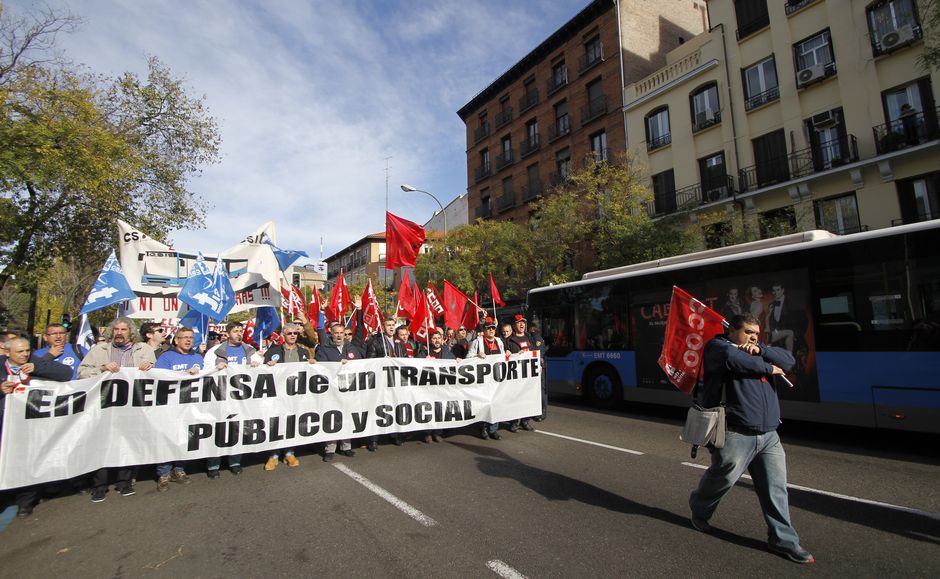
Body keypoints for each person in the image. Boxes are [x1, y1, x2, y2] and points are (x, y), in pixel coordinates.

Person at [688, 314, 813, 565]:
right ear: (732, 331)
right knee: (722, 478)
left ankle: (784, 540)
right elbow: (735, 360)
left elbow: (787, 360)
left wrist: (761, 349)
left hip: (769, 435)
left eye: (757, 332)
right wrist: (767, 366)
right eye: (748, 332)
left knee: (775, 489)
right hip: (736, 432)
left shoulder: (757, 348)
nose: (754, 336)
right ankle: (699, 508)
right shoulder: (718, 348)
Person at [78, 317, 156, 502]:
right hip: (104, 406)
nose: (119, 332)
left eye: (124, 329)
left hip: (132, 405)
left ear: (131, 332)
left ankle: (124, 480)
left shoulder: (144, 350)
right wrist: (102, 368)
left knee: (127, 443)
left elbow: (154, 373)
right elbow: (82, 372)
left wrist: (149, 367)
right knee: (101, 443)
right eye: (116, 329)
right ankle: (100, 484)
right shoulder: (99, 350)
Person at [1, 336, 72, 518]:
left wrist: (38, 367)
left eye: (27, 350)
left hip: (28, 424)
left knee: (26, 461)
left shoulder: (34, 362)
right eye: (20, 351)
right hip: (3, 423)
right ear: (7, 352)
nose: (25, 354)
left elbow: (65, 373)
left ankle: (26, 502)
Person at [152, 327, 202, 491]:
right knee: (167, 438)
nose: (188, 340)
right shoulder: (166, 357)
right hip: (169, 407)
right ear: (176, 340)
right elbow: (159, 378)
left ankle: (179, 469)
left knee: (185, 437)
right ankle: (164, 472)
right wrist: (183, 375)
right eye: (184, 337)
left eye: (191, 338)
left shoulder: (198, 357)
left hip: (190, 406)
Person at [210, 321, 261, 477]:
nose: (239, 334)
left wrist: (257, 365)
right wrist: (216, 367)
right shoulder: (216, 351)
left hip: (242, 399)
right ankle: (213, 464)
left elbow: (262, 368)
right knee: (218, 430)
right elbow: (206, 371)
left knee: (237, 429)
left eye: (241, 331)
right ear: (227, 334)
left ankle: (235, 461)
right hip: (221, 397)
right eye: (235, 331)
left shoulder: (249, 350)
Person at [262, 322, 315, 469]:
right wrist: (267, 365)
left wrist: (312, 364)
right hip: (278, 395)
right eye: (289, 333)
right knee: (276, 424)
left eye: (295, 333)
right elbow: (262, 372)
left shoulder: (304, 352)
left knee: (292, 423)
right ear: (283, 335)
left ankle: (289, 453)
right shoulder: (273, 351)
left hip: (296, 395)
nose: (293, 336)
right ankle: (273, 455)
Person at [315, 321, 363, 461]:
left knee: (347, 418)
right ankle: (330, 448)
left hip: (348, 390)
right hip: (331, 391)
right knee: (332, 418)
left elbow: (360, 365)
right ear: (331, 333)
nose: (339, 335)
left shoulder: (351, 348)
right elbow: (321, 367)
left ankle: (346, 446)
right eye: (336, 333)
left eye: (341, 333)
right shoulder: (324, 348)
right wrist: (336, 366)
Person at [467, 317, 504, 440]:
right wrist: (477, 355)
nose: (492, 330)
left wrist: (509, 355)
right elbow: (468, 358)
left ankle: (493, 429)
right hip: (483, 379)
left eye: (493, 328)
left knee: (496, 403)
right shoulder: (478, 342)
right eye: (489, 328)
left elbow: (504, 357)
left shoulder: (499, 341)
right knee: (484, 404)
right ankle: (483, 428)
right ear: (485, 330)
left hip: (496, 378)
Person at [503, 314, 537, 432]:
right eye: (519, 322)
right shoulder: (509, 340)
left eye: (523, 322)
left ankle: (525, 421)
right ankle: (514, 422)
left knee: (527, 398)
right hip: (516, 375)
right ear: (514, 325)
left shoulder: (529, 338)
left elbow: (535, 353)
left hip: (528, 375)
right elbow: (505, 357)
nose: (522, 324)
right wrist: (509, 354)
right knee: (516, 399)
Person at [422, 329, 454, 443]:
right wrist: (423, 361)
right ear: (430, 340)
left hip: (441, 386)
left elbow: (453, 363)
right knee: (428, 409)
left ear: (442, 339)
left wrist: (458, 361)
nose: (437, 340)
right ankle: (427, 433)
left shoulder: (447, 351)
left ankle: (437, 432)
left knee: (440, 409)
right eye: (434, 338)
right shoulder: (425, 352)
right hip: (428, 386)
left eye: (438, 338)